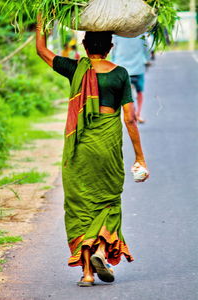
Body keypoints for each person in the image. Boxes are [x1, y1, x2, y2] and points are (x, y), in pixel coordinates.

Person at [36, 15, 149, 287]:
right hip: (107, 146)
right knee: (109, 198)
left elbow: (42, 50)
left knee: (80, 205)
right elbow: (130, 119)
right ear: (110, 47)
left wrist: (42, 21)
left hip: (80, 148)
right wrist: (139, 156)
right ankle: (101, 249)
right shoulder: (120, 73)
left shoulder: (76, 70)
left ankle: (87, 273)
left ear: (85, 47)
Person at [112, 35, 150, 123]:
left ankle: (127, 113)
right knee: (139, 92)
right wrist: (147, 60)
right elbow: (147, 49)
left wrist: (113, 61)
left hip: (121, 68)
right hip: (138, 67)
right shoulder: (141, 35)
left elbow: (113, 51)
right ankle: (138, 114)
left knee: (121, 93)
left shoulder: (118, 35)